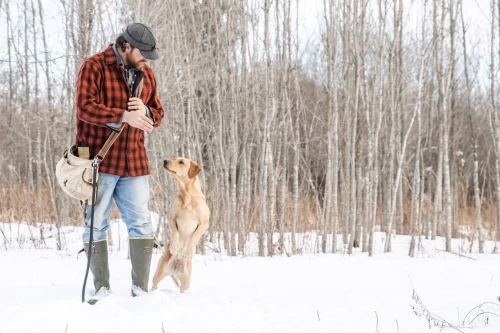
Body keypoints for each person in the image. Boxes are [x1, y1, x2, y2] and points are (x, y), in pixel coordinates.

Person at [75, 22, 165, 302]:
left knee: (141, 223)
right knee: (96, 223)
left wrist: (147, 112)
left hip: (135, 162)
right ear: (126, 46)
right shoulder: (94, 66)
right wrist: (123, 115)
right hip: (99, 161)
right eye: (143, 53)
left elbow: (158, 113)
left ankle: (141, 291)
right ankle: (101, 288)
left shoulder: (146, 74)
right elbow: (85, 107)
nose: (146, 59)